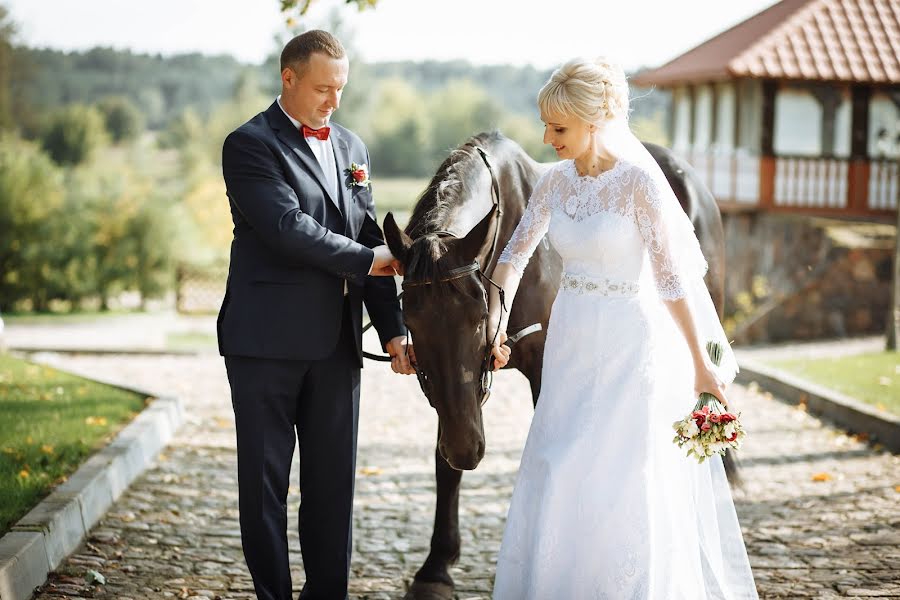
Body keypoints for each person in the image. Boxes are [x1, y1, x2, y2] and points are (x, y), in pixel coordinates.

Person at [487, 57, 758, 599]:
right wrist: (494, 324)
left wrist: (702, 366)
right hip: (571, 340)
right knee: (558, 463)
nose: (546, 138)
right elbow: (513, 258)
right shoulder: (554, 183)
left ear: (595, 121)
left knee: (622, 474)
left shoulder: (638, 185)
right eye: (545, 125)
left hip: (630, 345)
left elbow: (672, 282)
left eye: (558, 128)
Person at [218, 30, 415, 600]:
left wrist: (394, 328)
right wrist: (368, 258)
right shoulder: (249, 144)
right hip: (264, 345)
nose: (334, 102)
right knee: (264, 488)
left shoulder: (353, 148)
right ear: (289, 78)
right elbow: (286, 229)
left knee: (334, 489)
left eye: (341, 89)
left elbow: (369, 236)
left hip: (337, 348)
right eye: (324, 88)